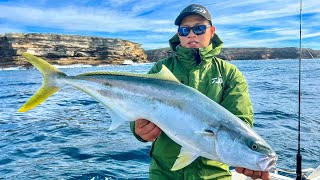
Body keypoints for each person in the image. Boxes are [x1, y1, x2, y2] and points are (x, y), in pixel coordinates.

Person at [130, 4, 270, 180]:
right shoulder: (161, 69)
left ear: (211, 32)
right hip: (164, 173)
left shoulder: (229, 74)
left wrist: (247, 155)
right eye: (184, 30)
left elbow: (240, 123)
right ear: (178, 34)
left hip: (214, 174)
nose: (191, 34)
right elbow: (138, 106)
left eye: (199, 28)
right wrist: (138, 130)